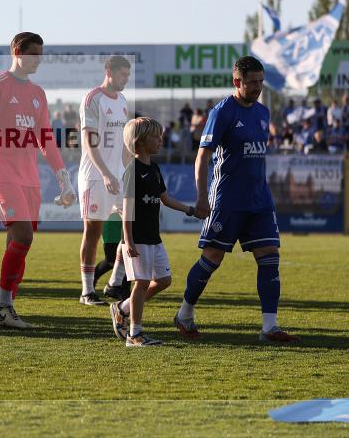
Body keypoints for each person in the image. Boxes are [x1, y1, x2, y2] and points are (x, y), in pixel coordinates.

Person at [174, 56, 297, 343]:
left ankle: (269, 327)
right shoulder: (222, 112)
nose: (257, 87)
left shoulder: (264, 113)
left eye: (260, 82)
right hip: (227, 200)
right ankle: (185, 313)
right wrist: (202, 197)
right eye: (252, 82)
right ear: (236, 82)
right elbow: (203, 155)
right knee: (212, 258)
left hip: (260, 201)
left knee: (269, 256)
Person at [0, 32, 76, 329]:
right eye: (34, 54)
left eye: (41, 55)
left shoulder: (38, 93)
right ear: (17, 51)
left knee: (20, 242)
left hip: (30, 179)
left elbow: (46, 139)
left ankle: (8, 306)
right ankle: (3, 305)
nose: (38, 60)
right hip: (1, 175)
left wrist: (63, 178)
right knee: (24, 236)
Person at [111, 118, 202, 346]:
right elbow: (128, 209)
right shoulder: (133, 170)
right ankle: (135, 335)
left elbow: (165, 198)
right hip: (138, 237)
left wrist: (190, 210)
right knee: (140, 283)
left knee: (163, 280)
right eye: (155, 136)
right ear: (139, 142)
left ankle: (122, 308)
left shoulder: (154, 168)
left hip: (153, 236)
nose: (160, 140)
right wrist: (128, 241)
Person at [77, 55, 131, 305]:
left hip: (118, 176)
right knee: (93, 232)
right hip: (95, 177)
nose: (125, 79)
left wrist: (127, 171)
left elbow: (123, 143)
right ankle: (87, 292)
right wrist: (106, 173)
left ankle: (114, 282)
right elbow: (89, 143)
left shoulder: (122, 101)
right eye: (122, 74)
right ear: (108, 70)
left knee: (133, 227)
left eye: (128, 76)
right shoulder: (92, 99)